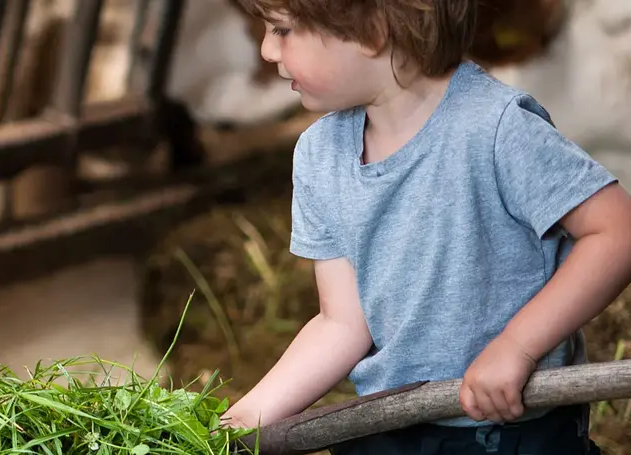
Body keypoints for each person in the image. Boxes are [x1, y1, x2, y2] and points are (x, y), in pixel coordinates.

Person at [216, 0, 631, 453]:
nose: (266, 51)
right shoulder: (320, 155)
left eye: (282, 30)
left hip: (508, 432)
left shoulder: (494, 129)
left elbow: (616, 233)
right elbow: (342, 323)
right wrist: (239, 422)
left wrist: (518, 347)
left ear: (372, 30)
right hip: (384, 425)